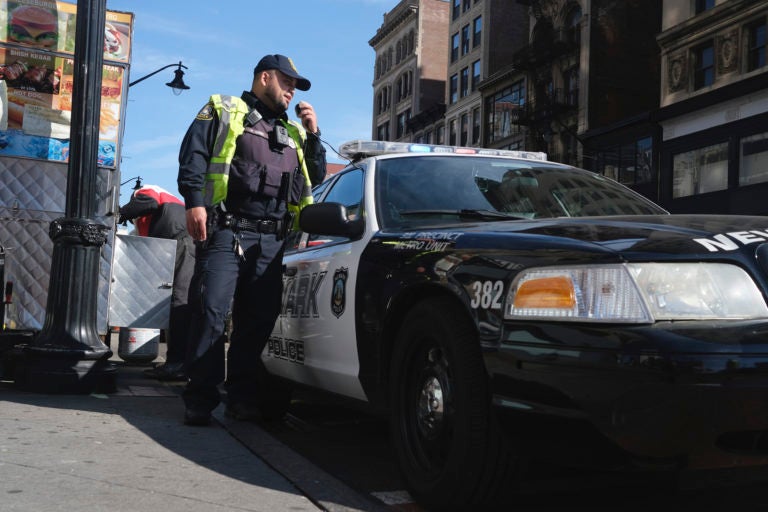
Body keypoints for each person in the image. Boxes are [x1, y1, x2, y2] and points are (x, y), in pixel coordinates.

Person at [177, 54, 327, 426]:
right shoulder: (224, 109)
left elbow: (316, 177)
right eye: (287, 82)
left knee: (257, 321)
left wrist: (314, 135)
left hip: (272, 240)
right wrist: (194, 203)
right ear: (265, 77)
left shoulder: (294, 133)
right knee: (212, 311)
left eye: (296, 85)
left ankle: (241, 397)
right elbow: (193, 155)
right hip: (227, 229)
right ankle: (200, 398)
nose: (292, 90)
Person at [118, 183, 196, 381]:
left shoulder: (146, 190)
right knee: (175, 301)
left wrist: (119, 213)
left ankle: (177, 364)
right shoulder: (165, 206)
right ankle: (177, 362)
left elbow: (148, 203)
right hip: (178, 241)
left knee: (180, 300)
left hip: (180, 239)